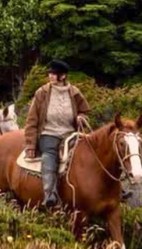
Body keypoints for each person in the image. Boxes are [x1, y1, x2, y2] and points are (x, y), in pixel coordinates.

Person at [24, 59, 91, 208]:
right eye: (50, 73)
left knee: (90, 153)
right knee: (49, 158)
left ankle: (113, 191)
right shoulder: (42, 93)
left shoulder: (74, 92)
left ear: (63, 76)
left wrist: (81, 117)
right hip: (49, 133)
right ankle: (50, 195)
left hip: (70, 133)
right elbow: (31, 120)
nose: (50, 76)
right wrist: (30, 144)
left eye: (54, 73)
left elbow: (85, 111)